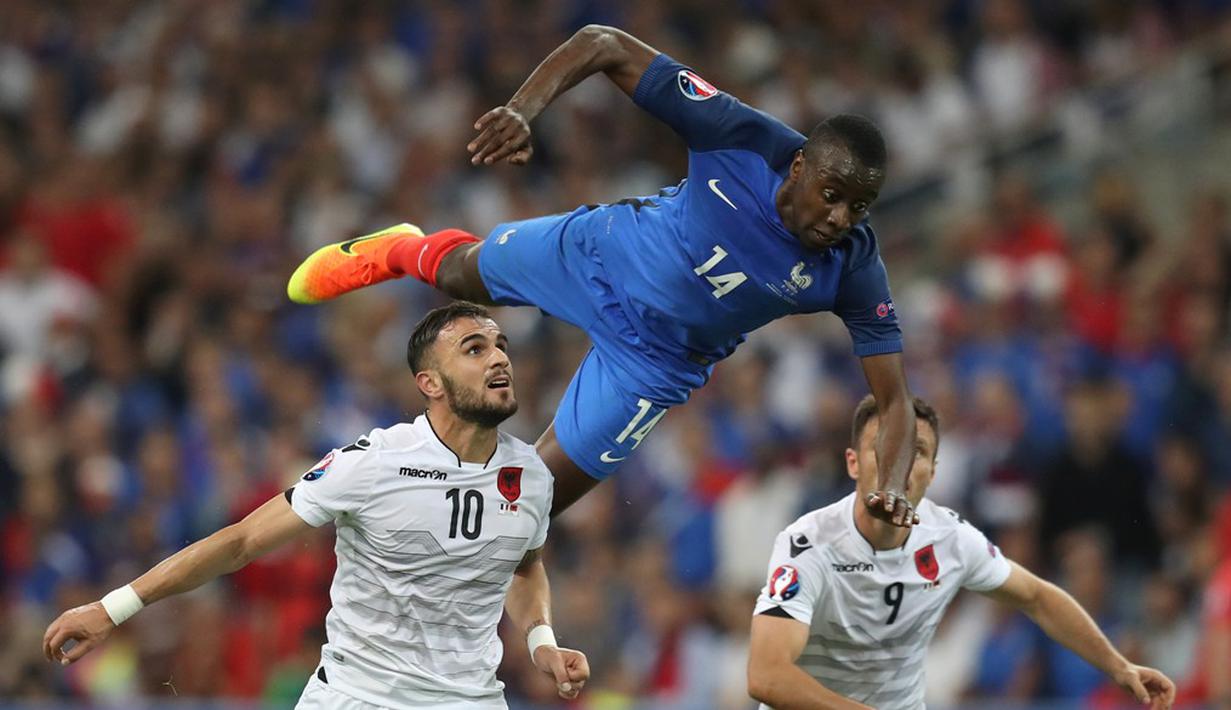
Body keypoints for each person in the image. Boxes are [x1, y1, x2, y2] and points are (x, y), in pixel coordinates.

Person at [286, 25, 918, 524]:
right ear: (801, 165)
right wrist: (523, 109)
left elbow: (893, 402)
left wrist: (891, 487)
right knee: (456, 275)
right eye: (832, 194)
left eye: (858, 207)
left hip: (654, 361)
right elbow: (603, 43)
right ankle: (397, 249)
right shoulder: (741, 134)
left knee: (531, 508)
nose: (839, 218)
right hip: (604, 254)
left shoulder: (853, 267)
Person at [42, 302, 589, 709]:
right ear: (430, 383)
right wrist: (112, 609)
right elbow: (241, 542)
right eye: (475, 349)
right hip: (358, 696)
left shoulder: (532, 478)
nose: (499, 359)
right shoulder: (374, 462)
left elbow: (524, 567)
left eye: (501, 348)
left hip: (470, 700)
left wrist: (542, 642)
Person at [745, 394, 1175, 710]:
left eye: (915, 452)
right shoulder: (809, 544)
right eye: (884, 446)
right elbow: (767, 675)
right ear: (854, 463)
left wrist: (1121, 668)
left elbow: (1038, 597)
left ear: (932, 473)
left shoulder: (949, 537)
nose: (897, 463)